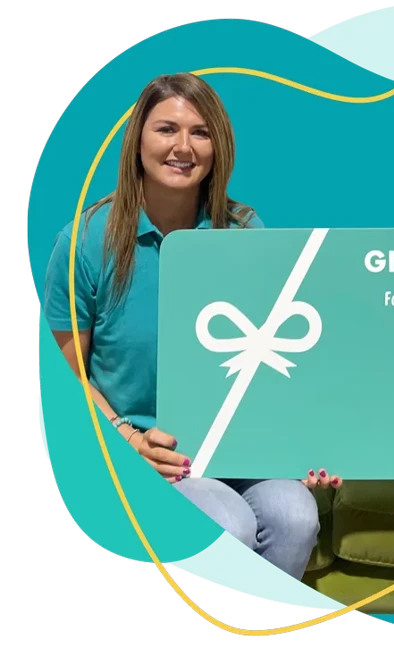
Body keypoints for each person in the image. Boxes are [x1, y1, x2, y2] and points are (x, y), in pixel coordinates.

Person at [44, 72, 341, 582]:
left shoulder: (245, 231)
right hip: (143, 452)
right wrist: (127, 440)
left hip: (235, 448)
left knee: (296, 516)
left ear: (218, 146)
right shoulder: (85, 241)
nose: (183, 147)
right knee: (228, 524)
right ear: (137, 141)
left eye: (200, 132)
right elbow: (68, 377)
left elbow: (276, 356)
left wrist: (307, 443)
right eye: (166, 129)